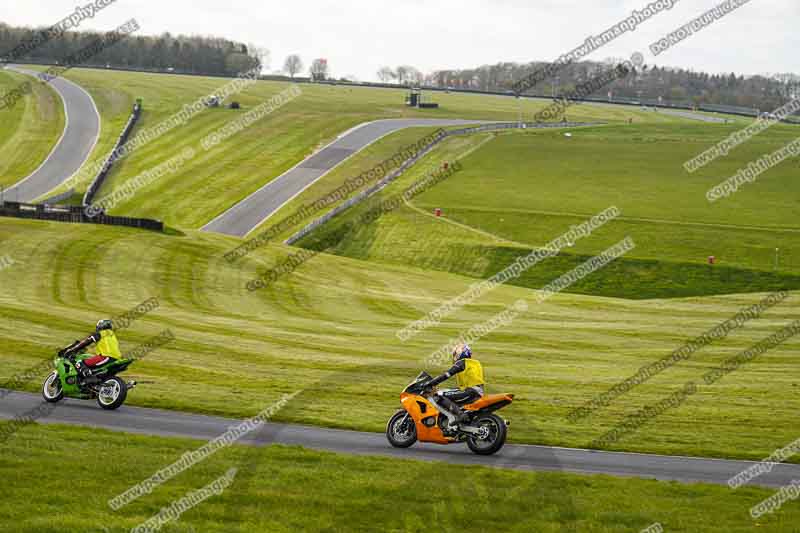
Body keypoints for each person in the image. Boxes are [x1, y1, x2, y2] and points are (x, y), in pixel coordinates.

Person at [422, 343, 485, 426]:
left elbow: (447, 374)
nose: (454, 356)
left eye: (455, 354)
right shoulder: (475, 363)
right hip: (476, 391)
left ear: (460, 353)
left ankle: (459, 415)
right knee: (447, 392)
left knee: (438, 395)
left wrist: (431, 383)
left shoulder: (462, 363)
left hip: (470, 391)